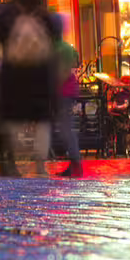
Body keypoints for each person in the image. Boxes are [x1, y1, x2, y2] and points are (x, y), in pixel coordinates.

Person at [0, 0, 59, 176]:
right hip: (40, 74)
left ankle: (14, 159)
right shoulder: (45, 16)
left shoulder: (7, 15)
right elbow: (55, 38)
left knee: (13, 118)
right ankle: (40, 164)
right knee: (42, 120)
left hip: (14, 74)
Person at [51, 24, 86, 178]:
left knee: (66, 129)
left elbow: (63, 72)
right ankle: (74, 164)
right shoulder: (65, 47)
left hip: (63, 91)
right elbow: (75, 63)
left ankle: (76, 164)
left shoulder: (57, 48)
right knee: (66, 128)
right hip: (67, 90)